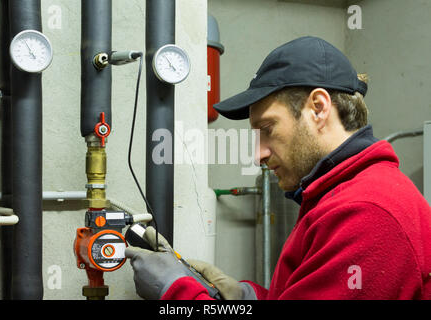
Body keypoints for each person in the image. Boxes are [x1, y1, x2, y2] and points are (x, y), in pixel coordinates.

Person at [125, 36, 431, 300]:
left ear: (318, 108)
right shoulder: (336, 196)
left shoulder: (366, 212)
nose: (257, 155)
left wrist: (177, 292)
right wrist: (245, 296)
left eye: (267, 128)